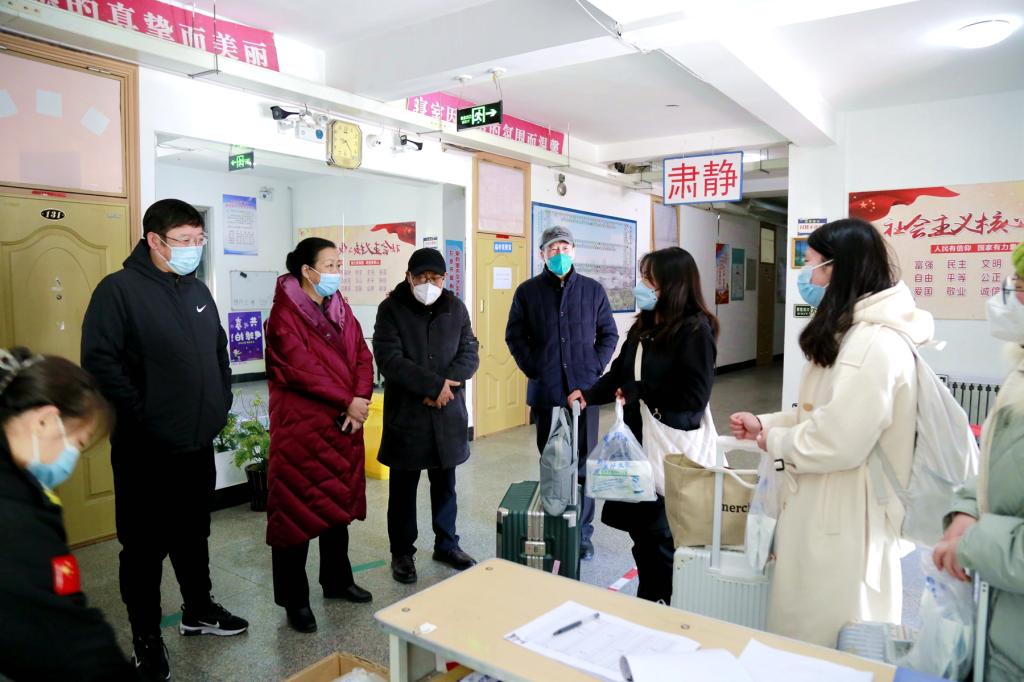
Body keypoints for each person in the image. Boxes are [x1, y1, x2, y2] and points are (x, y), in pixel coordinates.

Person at [729, 218, 933, 647]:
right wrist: (768, 423)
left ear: (840, 269)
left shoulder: (873, 344)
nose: (809, 278)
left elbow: (837, 441)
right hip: (829, 506)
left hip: (844, 517)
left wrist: (775, 441)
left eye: (814, 265)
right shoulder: (854, 333)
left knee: (827, 639)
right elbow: (821, 411)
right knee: (809, 629)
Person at [82, 199, 248, 680]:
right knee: (143, 548)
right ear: (154, 240)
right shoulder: (118, 291)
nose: (194, 248)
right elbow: (101, 364)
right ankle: (147, 639)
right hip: (145, 449)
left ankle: (198, 610)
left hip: (195, 444)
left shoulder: (197, 289)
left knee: (194, 535)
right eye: (184, 240)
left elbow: (218, 352)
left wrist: (220, 402)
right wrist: (143, 418)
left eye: (199, 239)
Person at [569, 247, 717, 603]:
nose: (642, 286)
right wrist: (589, 394)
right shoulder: (644, 327)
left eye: (649, 279)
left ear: (673, 284)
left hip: (670, 450)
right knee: (642, 536)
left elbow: (694, 396)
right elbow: (621, 372)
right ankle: (650, 599)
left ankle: (666, 605)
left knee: (662, 539)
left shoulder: (695, 330)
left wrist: (642, 390)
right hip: (638, 446)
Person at [0, 348, 135, 680]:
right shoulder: (16, 520)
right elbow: (69, 641)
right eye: (78, 442)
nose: (71, 458)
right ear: (44, 421)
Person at [264, 238, 375, 634]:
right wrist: (348, 401)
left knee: (336, 510)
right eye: (329, 264)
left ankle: (337, 581)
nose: (336, 271)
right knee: (294, 516)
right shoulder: (283, 316)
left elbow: (362, 356)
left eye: (337, 264)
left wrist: (360, 399)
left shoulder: (340, 307)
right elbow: (301, 370)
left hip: (342, 425)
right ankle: (294, 600)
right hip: (302, 430)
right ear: (307, 271)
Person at [933, 243, 1024, 682]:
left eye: (1020, 284)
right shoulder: (1020, 368)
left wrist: (974, 542)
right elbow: (1001, 464)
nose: (1009, 295)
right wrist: (967, 510)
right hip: (1005, 625)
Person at [506, 226, 618, 560]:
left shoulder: (593, 290)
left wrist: (592, 371)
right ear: (541, 254)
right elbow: (515, 337)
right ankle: (555, 524)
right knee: (552, 461)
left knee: (583, 464)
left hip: (585, 394)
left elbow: (609, 335)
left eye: (565, 247)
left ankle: (581, 533)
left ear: (574, 251)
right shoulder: (527, 292)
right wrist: (536, 368)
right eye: (552, 249)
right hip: (547, 393)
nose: (559, 254)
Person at [373, 247, 480, 584]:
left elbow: (469, 350)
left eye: (435, 278)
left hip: (447, 413)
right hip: (408, 415)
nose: (428, 284)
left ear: (444, 279)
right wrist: (434, 386)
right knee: (403, 491)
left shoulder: (455, 307)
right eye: (421, 277)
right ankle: (402, 553)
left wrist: (447, 385)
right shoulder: (391, 309)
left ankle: (447, 545)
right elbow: (389, 359)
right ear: (408, 276)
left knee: (445, 486)